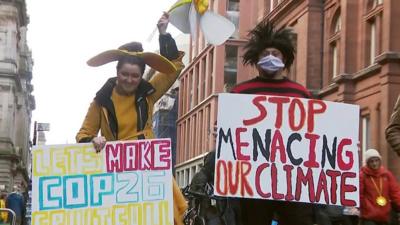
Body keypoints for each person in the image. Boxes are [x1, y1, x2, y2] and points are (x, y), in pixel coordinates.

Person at [76, 12, 187, 225]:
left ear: (141, 76)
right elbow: (83, 134)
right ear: (117, 72)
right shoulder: (100, 101)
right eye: (125, 74)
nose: (129, 79)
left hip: (148, 169)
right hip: (116, 174)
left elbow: (173, 68)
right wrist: (93, 140)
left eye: (135, 76)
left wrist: (164, 34)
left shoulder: (149, 94)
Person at [229, 20, 312, 225]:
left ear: (284, 57)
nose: (270, 58)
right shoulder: (240, 92)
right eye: (264, 54)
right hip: (253, 180)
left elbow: (315, 132)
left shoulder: (301, 93)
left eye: (275, 54)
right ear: (256, 60)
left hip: (292, 179)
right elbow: (230, 130)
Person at [360, 149, 400, 225]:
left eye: (376, 160)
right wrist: (363, 208)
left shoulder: (386, 174)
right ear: (367, 163)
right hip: (369, 216)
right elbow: (360, 195)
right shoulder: (362, 176)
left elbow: (395, 193)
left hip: (384, 216)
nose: (374, 163)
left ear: (380, 161)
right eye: (371, 161)